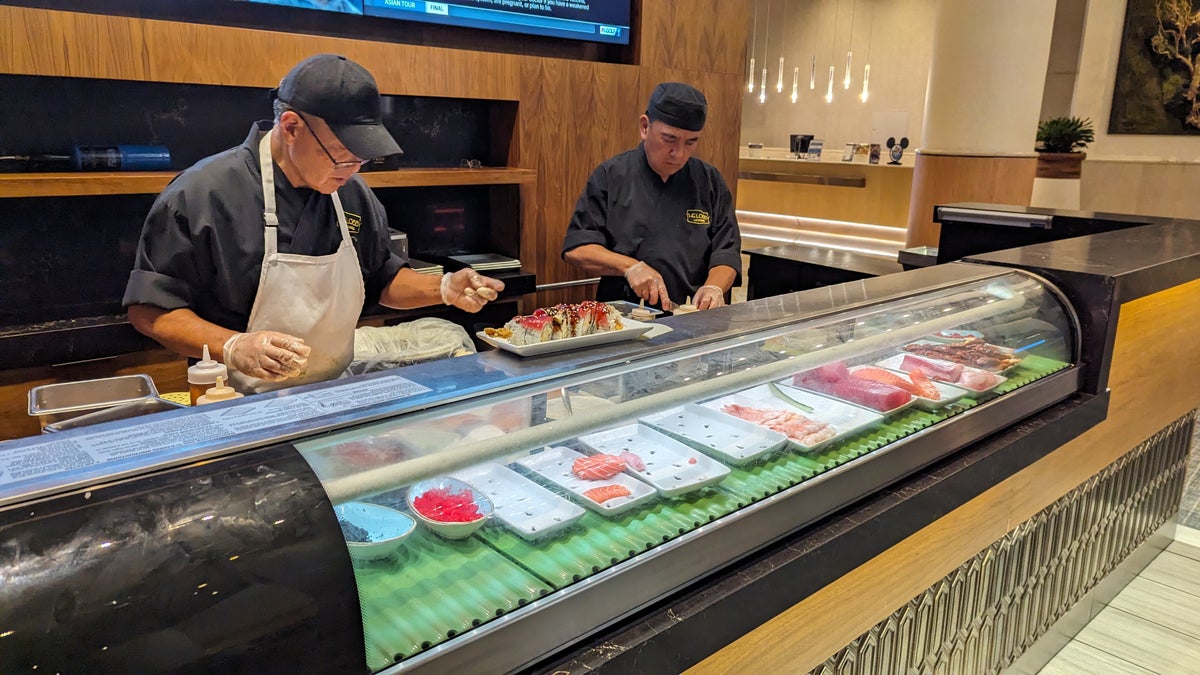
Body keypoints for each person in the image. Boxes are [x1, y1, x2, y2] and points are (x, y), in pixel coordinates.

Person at [123, 54, 503, 393]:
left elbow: (383, 281)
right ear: (290, 127)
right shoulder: (203, 193)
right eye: (340, 157)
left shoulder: (352, 194)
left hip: (332, 393)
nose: (352, 171)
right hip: (230, 397)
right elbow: (151, 310)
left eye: (361, 160)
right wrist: (234, 346)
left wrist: (442, 288)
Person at [561, 82, 742, 312]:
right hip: (623, 320)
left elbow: (726, 251)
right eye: (670, 139)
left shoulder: (709, 181)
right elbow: (577, 248)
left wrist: (714, 288)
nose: (679, 153)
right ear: (645, 127)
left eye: (691, 142)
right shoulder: (611, 175)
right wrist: (630, 267)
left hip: (691, 318)